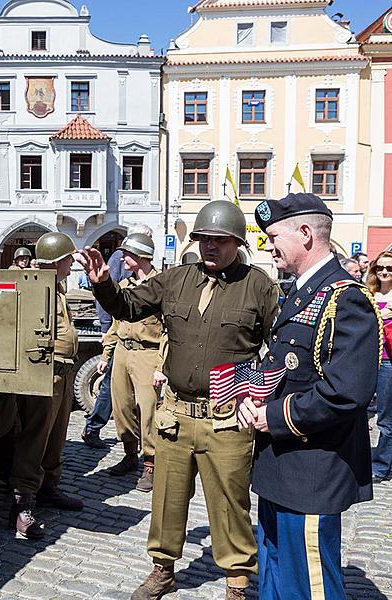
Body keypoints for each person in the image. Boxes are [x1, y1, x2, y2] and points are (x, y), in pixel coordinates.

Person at [77, 200, 279, 600]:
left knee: (229, 504)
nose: (210, 247)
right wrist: (103, 284)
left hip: (227, 419)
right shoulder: (176, 279)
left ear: (237, 242)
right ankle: (162, 569)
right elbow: (129, 306)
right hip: (174, 414)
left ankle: (237, 582)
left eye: (220, 241)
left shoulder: (258, 286)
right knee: (167, 498)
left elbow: (278, 346)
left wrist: (262, 397)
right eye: (204, 239)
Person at [239, 193, 381, 599]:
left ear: (304, 234)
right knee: (276, 572)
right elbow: (282, 363)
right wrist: (252, 393)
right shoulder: (303, 291)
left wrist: (276, 417)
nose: (268, 245)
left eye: (273, 237)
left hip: (311, 470)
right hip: (281, 466)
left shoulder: (345, 297)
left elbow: (347, 391)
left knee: (310, 583)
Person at [8, 232, 84, 539]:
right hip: (44, 373)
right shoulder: (35, 288)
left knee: (56, 437)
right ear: (56, 262)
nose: (71, 264)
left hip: (63, 373)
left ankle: (49, 488)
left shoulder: (58, 287)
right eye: (68, 259)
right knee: (34, 439)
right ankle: (21, 504)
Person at [97, 233, 164, 492]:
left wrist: (161, 365)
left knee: (148, 411)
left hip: (148, 353)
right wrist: (106, 356)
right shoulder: (124, 287)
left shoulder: (159, 286)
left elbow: (168, 329)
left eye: (127, 254)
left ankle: (150, 464)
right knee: (122, 407)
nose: (122, 258)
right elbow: (116, 324)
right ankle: (129, 455)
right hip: (123, 352)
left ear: (141, 257)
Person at [82, 224, 148, 450]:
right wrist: (106, 328)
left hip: (141, 345)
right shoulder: (119, 259)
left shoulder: (153, 277)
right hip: (120, 335)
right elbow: (108, 299)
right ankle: (93, 428)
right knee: (111, 387)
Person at [370, 251, 392, 482]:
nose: (384, 272)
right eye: (380, 268)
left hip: (388, 361)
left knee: (385, 416)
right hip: (369, 358)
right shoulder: (370, 294)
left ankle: (382, 466)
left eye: (389, 268)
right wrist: (379, 315)